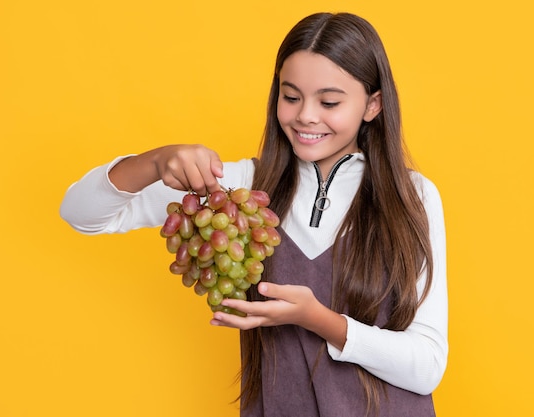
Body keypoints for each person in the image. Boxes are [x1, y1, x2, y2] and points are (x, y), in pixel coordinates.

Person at [60, 12, 448, 417]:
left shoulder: (412, 197)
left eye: (329, 101)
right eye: (291, 96)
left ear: (373, 105)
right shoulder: (236, 190)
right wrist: (154, 162)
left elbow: (427, 366)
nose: (305, 116)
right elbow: (80, 213)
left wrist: (319, 319)